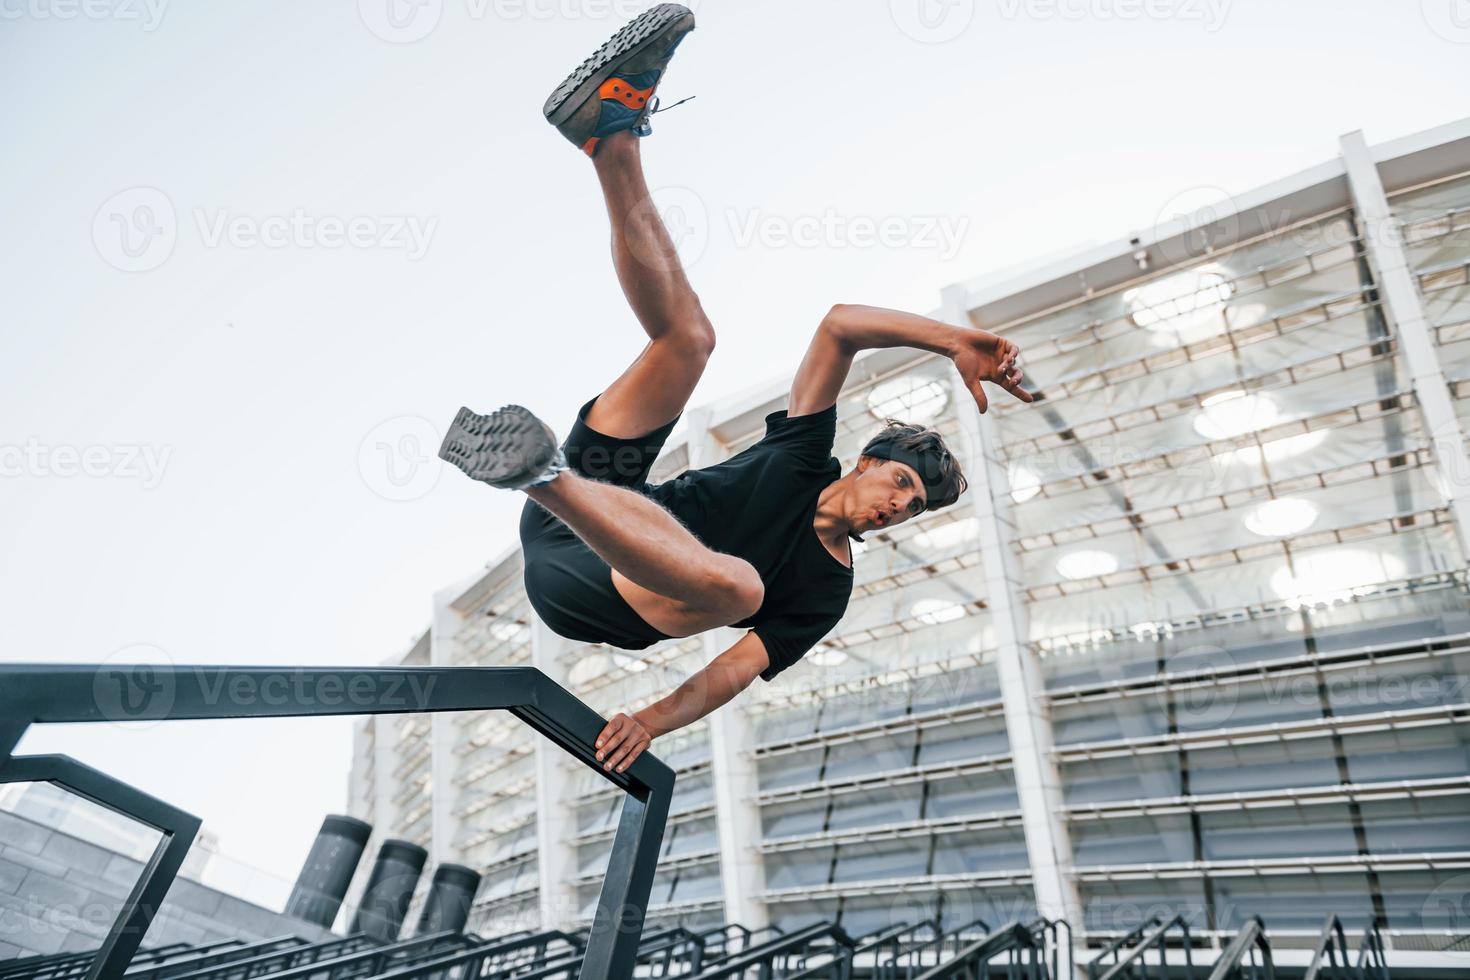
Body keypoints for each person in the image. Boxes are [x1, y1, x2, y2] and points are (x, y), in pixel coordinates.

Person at [438, 2, 1032, 774]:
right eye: (901, 482)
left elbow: (733, 668)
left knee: (743, 590)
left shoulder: (824, 590)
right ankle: (608, 134)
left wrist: (650, 719)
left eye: (913, 507)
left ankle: (540, 474)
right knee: (690, 342)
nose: (898, 506)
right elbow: (840, 325)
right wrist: (950, 336)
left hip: (600, 594)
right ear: (863, 463)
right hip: (591, 511)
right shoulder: (802, 456)